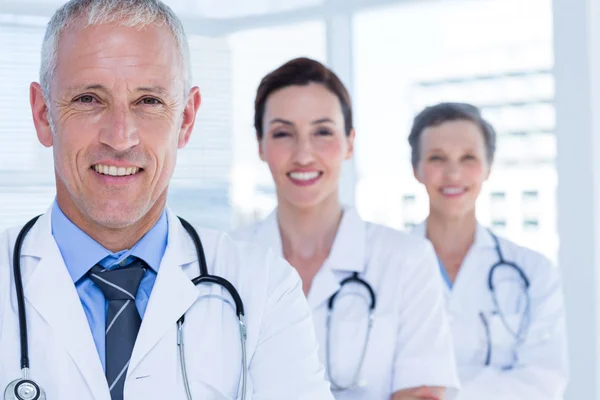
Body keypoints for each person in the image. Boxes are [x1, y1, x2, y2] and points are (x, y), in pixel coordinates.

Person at [0, 1, 335, 399]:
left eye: (149, 101)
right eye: (89, 99)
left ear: (187, 119)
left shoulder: (263, 289)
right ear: (43, 115)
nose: (120, 137)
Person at [232, 57, 459, 400]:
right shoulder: (228, 261)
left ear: (350, 142)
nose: (304, 154)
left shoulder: (406, 259)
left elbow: (423, 391)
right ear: (261, 145)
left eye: (322, 132)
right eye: (283, 133)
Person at [409, 102, 569, 399]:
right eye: (437, 158)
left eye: (468, 157)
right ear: (416, 169)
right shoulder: (386, 267)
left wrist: (441, 393)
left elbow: (544, 383)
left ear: (488, 167)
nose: (453, 173)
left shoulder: (534, 272)